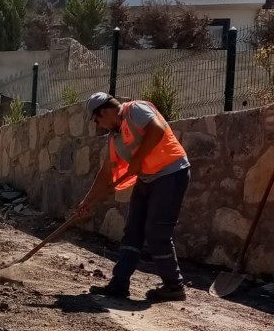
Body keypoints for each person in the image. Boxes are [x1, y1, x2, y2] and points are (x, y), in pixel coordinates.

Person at [78, 92, 192, 302]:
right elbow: (106, 173)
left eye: (97, 119)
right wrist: (88, 201)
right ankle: (119, 284)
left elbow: (156, 129)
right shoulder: (115, 137)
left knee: (156, 231)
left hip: (171, 173)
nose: (98, 124)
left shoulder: (135, 110)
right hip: (147, 178)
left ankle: (174, 286)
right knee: (133, 231)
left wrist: (138, 159)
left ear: (103, 111)